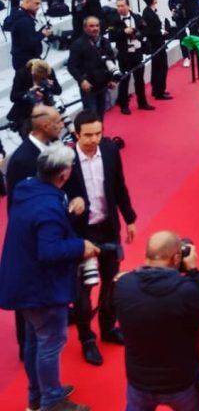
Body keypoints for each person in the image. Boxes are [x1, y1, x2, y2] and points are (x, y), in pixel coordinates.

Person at [0, 143, 99, 411]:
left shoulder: (27, 188)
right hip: (40, 289)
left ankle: (37, 395)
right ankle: (52, 401)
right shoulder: (49, 208)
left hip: (21, 282)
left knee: (34, 340)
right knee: (50, 344)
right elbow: (50, 250)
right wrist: (82, 246)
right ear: (64, 175)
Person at [112, 232, 199, 411]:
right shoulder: (186, 291)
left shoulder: (123, 285)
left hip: (139, 381)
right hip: (181, 383)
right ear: (177, 257)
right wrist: (194, 271)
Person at [64, 111, 137, 366]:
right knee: (83, 292)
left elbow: (119, 186)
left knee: (111, 283)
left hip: (108, 228)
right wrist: (70, 205)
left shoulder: (109, 150)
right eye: (88, 135)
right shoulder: (66, 160)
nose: (95, 139)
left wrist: (130, 218)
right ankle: (87, 339)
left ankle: (108, 327)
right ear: (76, 135)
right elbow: (54, 196)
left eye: (98, 132)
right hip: (81, 234)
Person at [67, 16, 120, 118]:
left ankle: (100, 134)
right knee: (91, 117)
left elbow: (111, 60)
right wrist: (82, 80)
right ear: (85, 28)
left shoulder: (105, 41)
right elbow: (72, 66)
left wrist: (111, 79)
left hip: (103, 85)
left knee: (101, 114)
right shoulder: (77, 45)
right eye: (91, 26)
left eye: (97, 25)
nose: (95, 28)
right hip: (89, 87)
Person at [111, 0, 154, 115]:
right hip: (124, 55)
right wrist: (124, 32)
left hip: (137, 53)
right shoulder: (113, 20)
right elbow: (111, 36)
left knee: (139, 80)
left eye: (122, 6)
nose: (120, 8)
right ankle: (124, 105)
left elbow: (145, 30)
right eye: (118, 6)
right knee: (125, 80)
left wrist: (138, 35)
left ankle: (142, 102)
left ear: (128, 6)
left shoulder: (137, 17)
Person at [5, 0, 53, 70]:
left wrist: (41, 31)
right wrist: (43, 34)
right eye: (36, 4)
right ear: (27, 2)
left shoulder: (23, 15)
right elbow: (28, 42)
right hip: (26, 61)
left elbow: (29, 35)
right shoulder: (23, 21)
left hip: (27, 59)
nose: (38, 7)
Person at [141, 0, 171, 101]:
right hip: (156, 43)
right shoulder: (147, 13)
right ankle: (159, 91)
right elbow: (149, 31)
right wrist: (161, 32)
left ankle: (156, 89)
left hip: (158, 42)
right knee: (161, 67)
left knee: (157, 67)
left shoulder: (150, 11)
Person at [168, 0, 199, 68]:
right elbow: (170, 2)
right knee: (182, 37)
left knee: (195, 35)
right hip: (180, 17)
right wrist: (173, 9)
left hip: (192, 16)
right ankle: (186, 57)